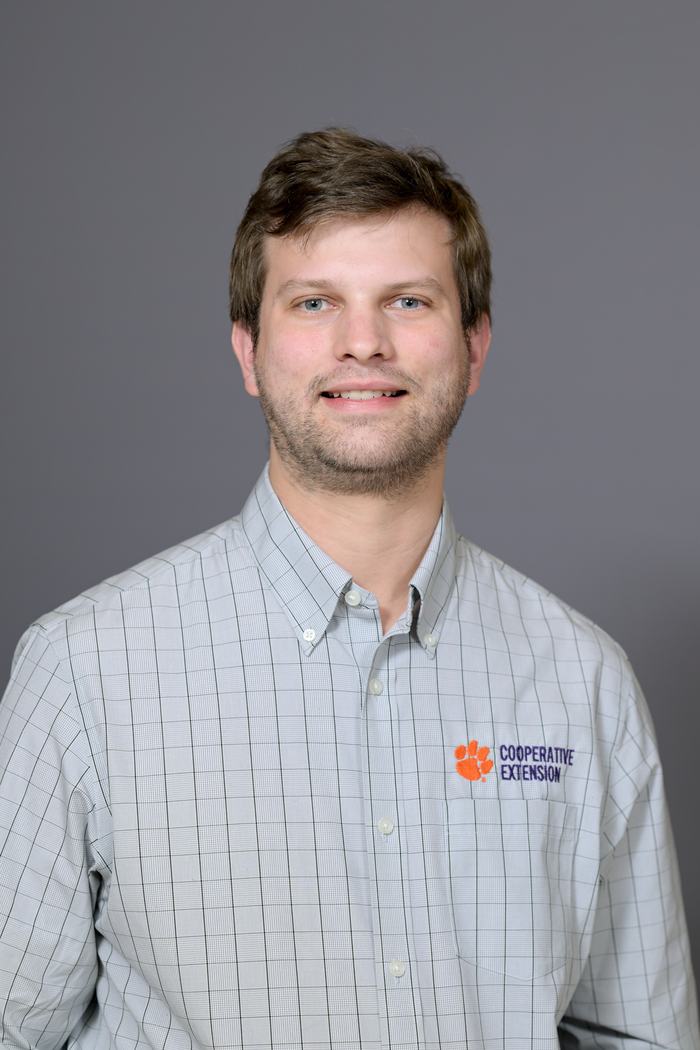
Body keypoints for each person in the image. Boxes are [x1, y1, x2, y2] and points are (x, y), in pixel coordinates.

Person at [0, 127, 697, 1050]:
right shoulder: (83, 671)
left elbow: (639, 1037)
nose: (362, 342)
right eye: (315, 302)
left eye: (407, 300)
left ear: (475, 346)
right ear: (248, 351)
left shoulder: (587, 683)